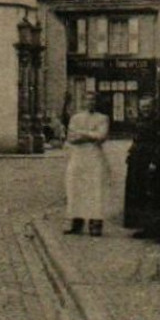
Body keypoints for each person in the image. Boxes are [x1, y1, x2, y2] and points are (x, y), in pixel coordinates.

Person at [122, 102, 160, 231]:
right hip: (139, 161)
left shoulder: (159, 122)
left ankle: (158, 226)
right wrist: (131, 152)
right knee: (139, 191)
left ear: (153, 108)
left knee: (154, 192)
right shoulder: (140, 121)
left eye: (148, 107)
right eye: (142, 107)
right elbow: (137, 139)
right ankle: (142, 224)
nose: (145, 110)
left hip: (156, 161)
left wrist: (155, 161)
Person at [63, 91, 110, 236]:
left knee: (95, 188)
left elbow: (101, 136)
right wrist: (90, 134)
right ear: (83, 102)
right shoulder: (76, 118)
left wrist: (82, 134)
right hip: (78, 157)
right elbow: (71, 137)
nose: (90, 103)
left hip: (94, 156)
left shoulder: (103, 118)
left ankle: (95, 223)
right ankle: (77, 221)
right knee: (75, 187)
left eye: (93, 100)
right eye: (88, 100)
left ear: (97, 102)